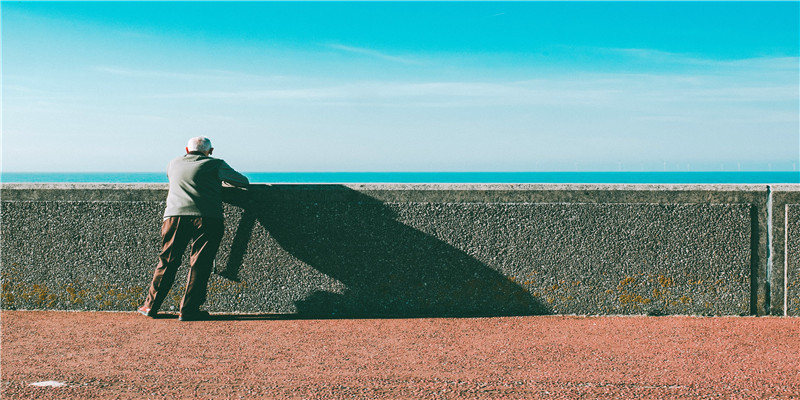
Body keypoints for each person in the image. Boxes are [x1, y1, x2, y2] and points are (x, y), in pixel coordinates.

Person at [138, 136, 249, 321]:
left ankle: (151, 306)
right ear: (210, 151)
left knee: (168, 261)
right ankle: (188, 309)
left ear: (187, 150)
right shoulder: (215, 164)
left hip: (174, 216)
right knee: (200, 263)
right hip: (207, 218)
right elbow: (243, 181)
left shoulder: (173, 163)